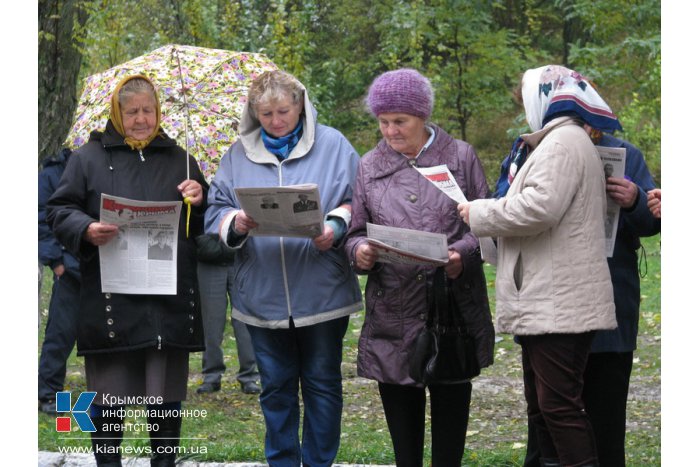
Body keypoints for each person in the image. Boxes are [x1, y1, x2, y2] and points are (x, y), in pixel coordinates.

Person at [458, 65, 618, 467]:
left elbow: (538, 208)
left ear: (544, 99)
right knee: (544, 409)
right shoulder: (562, 140)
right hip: (551, 298)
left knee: (559, 408)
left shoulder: (562, 142)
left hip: (558, 301)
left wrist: (478, 211)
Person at [47, 74, 208, 467]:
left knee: (165, 392)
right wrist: (84, 228)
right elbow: (58, 210)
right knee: (107, 392)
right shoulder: (88, 158)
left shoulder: (182, 160)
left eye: (148, 111)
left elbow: (200, 228)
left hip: (165, 298)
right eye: (131, 111)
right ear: (116, 114)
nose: (141, 119)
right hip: (110, 296)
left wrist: (199, 200)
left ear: (159, 113)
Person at [205, 69, 362, 467]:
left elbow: (359, 199)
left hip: (321, 288)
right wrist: (235, 224)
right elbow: (216, 210)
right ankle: (283, 462)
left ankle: (319, 462)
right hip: (261, 293)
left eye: (284, 111)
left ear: (301, 106)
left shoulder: (334, 145)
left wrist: (336, 225)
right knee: (274, 387)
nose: (275, 121)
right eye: (266, 113)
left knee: (322, 385)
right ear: (253, 112)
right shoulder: (236, 154)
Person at [345, 68, 495, 467]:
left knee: (450, 433)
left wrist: (462, 253)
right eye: (383, 121)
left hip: (451, 311)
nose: (390, 131)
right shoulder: (369, 166)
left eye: (400, 121)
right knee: (404, 445)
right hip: (392, 314)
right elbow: (355, 230)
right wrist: (359, 250)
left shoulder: (460, 157)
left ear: (422, 116)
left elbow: (488, 223)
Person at [518, 80, 662, 467]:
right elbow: (508, 201)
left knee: (605, 416)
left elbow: (652, 220)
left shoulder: (626, 154)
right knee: (547, 415)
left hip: (611, 300)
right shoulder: (527, 152)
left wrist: (634, 201)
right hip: (548, 301)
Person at [38, 148, 80, 414]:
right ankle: (49, 394)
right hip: (70, 268)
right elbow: (39, 217)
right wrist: (56, 261)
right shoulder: (52, 173)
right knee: (60, 333)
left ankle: (118, 390)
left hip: (107, 267)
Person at [194, 233, 261, 395]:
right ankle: (211, 376)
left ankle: (249, 376)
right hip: (207, 258)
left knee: (245, 321)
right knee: (210, 322)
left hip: (241, 258)